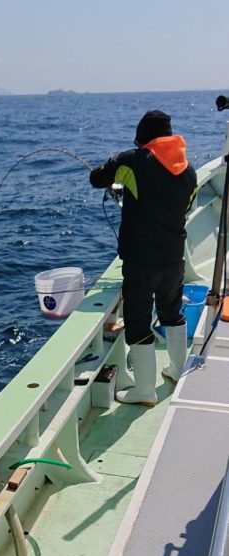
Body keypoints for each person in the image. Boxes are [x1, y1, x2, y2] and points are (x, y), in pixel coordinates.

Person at [89, 110, 197, 406]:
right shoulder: (188, 171)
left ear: (144, 140)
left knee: (137, 322)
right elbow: (183, 205)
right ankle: (177, 370)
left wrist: (120, 183)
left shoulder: (133, 160)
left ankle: (144, 391)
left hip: (141, 260)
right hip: (174, 258)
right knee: (172, 314)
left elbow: (98, 178)